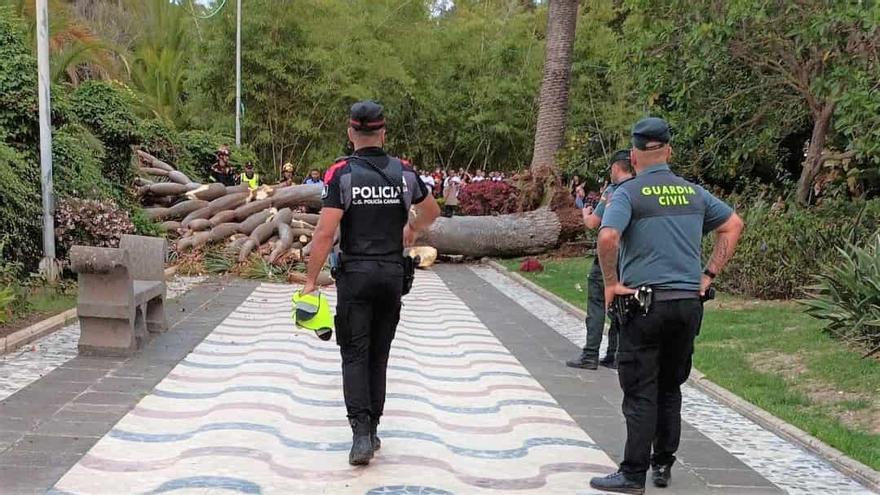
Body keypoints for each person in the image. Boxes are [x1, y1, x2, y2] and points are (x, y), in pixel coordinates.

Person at [589, 118, 744, 494]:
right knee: (670, 387)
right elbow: (734, 224)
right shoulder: (694, 193)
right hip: (688, 303)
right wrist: (708, 276)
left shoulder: (629, 193)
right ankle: (663, 465)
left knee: (641, 389)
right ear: (669, 152)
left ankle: (631, 474)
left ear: (634, 155)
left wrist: (611, 284)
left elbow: (607, 236)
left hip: (644, 304)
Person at [301, 100, 440, 467]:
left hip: (356, 276)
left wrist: (310, 281)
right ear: (383, 132)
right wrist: (411, 227)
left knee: (355, 354)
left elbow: (325, 232)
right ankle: (374, 428)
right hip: (392, 275)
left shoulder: (340, 174)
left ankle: (361, 433)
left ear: (351, 134)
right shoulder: (404, 173)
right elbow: (432, 212)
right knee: (380, 355)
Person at [566, 150, 633, 371]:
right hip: (630, 260)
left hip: (609, 257)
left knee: (597, 303)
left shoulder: (615, 191)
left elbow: (594, 223)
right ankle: (614, 354)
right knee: (620, 306)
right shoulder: (640, 189)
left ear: (616, 168)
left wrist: (585, 214)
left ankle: (590, 354)